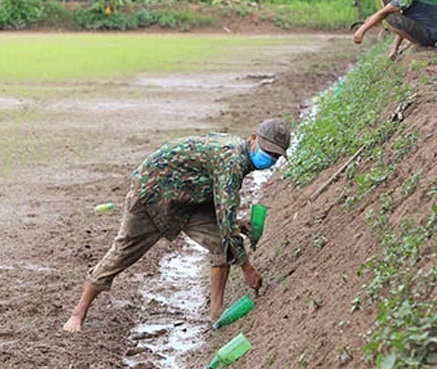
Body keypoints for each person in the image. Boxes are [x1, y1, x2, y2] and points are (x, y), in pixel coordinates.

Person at [62, 119, 291, 333]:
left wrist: (233, 223)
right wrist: (247, 268)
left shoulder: (236, 152)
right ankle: (78, 313)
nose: (269, 158)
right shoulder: (231, 161)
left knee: (220, 243)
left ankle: (216, 313)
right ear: (253, 139)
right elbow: (226, 216)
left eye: (275, 155)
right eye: (267, 151)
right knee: (124, 252)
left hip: (188, 198)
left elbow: (221, 207)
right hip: (153, 195)